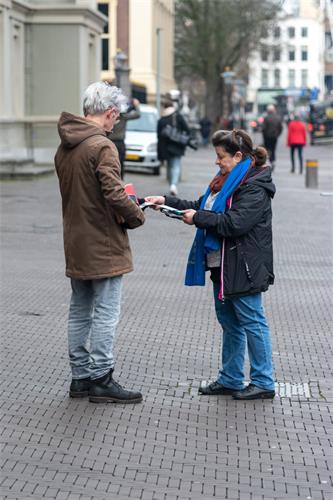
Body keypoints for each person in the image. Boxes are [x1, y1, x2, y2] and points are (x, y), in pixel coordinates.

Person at [146, 129, 276, 400]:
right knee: (230, 322)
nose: (217, 162)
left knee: (252, 321)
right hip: (223, 265)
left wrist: (198, 218)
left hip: (244, 266)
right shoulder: (226, 180)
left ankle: (264, 381)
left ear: (238, 156)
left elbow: (233, 223)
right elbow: (202, 207)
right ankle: (230, 378)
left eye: (221, 156)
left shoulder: (254, 185)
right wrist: (167, 202)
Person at [54, 81, 145, 404]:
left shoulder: (65, 146)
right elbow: (113, 193)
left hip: (76, 239)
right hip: (104, 241)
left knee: (79, 311)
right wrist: (136, 215)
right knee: (106, 312)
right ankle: (102, 378)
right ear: (109, 112)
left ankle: (80, 378)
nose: (115, 123)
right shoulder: (102, 147)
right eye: (115, 118)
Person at [157, 96, 191, 196]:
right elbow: (187, 129)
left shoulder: (161, 119)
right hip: (177, 145)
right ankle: (173, 185)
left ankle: (171, 183)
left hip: (165, 147)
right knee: (175, 165)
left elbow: (158, 136)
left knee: (169, 166)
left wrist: (159, 152)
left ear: (163, 107)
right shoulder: (177, 116)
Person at [107, 97, 141, 179]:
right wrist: (136, 105)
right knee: (120, 164)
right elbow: (137, 114)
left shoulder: (109, 115)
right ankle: (120, 181)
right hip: (119, 143)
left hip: (110, 142)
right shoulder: (123, 116)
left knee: (110, 164)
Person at [262, 104, 283, 170]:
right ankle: (273, 161)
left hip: (267, 137)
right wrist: (278, 134)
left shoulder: (266, 118)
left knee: (268, 150)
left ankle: (269, 161)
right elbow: (280, 128)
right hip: (274, 137)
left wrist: (264, 136)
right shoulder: (278, 118)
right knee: (273, 149)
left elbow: (263, 128)